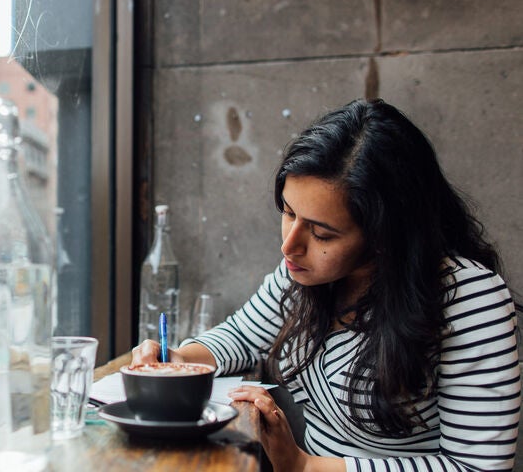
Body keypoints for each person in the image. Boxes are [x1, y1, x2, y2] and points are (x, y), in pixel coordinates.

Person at [132, 98, 521, 471]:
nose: (289, 244)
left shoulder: (469, 300)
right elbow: (241, 336)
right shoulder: (306, 275)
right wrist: (179, 361)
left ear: (387, 236)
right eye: (288, 212)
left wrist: (306, 466)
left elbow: (476, 466)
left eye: (321, 233)